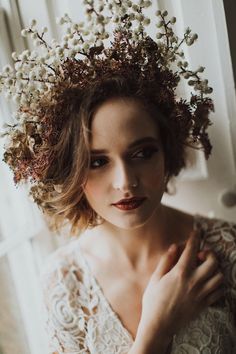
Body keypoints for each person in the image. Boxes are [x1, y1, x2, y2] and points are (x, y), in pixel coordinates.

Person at [0, 1, 235, 353]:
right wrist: (155, 330)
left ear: (167, 151)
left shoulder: (227, 250)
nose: (125, 181)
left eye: (142, 153)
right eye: (97, 162)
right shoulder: (65, 283)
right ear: (72, 171)